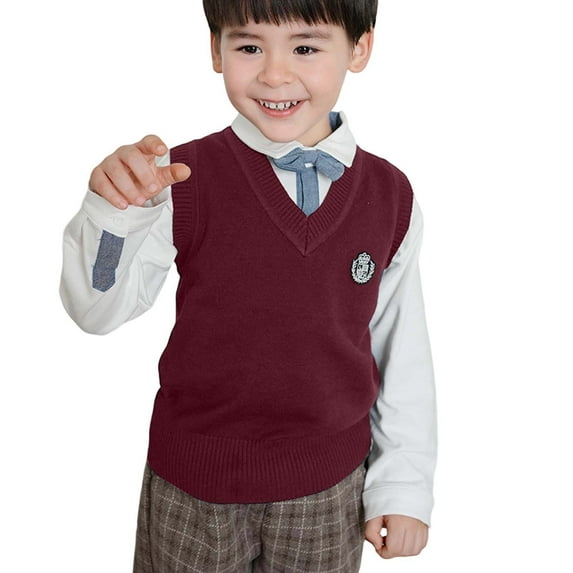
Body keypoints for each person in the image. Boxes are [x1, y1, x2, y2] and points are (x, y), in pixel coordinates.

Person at [60, 0, 437, 570]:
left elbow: (399, 351)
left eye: (305, 47)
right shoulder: (178, 179)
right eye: (249, 46)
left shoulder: (390, 196)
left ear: (359, 48)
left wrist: (403, 487)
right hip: (194, 485)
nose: (274, 74)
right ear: (216, 49)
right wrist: (114, 213)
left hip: (330, 488)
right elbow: (96, 311)